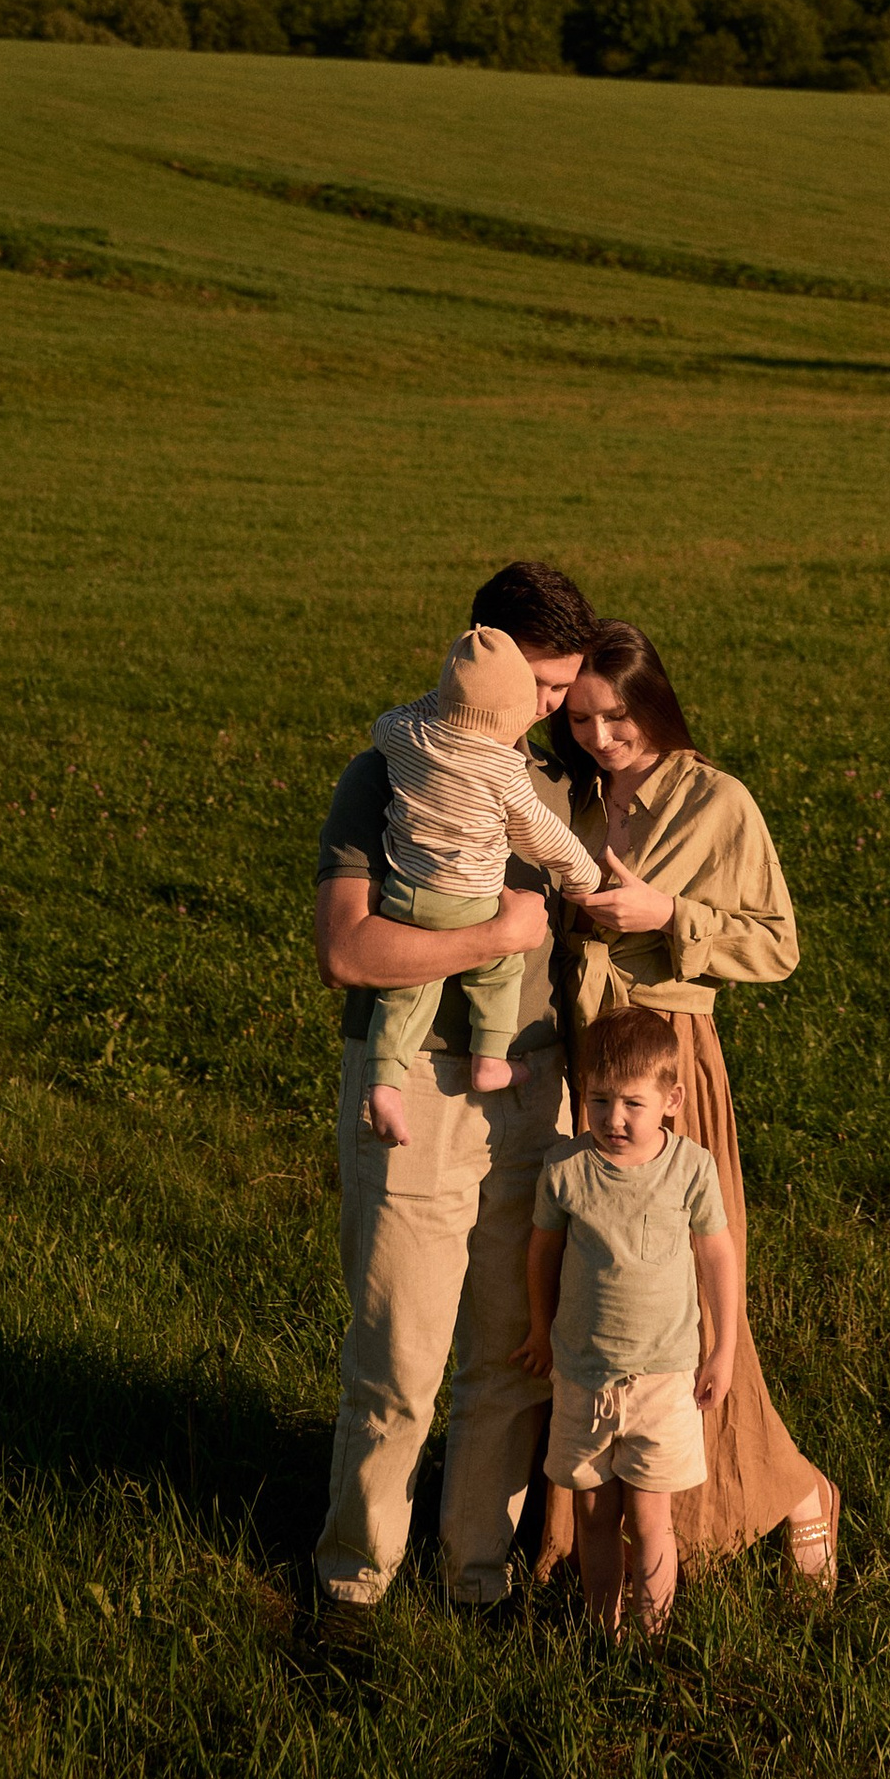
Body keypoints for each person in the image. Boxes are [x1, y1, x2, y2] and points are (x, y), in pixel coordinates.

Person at [313, 558, 594, 1619]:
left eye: (568, 690)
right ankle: (353, 1586)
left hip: (535, 1087)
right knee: (397, 1364)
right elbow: (348, 949)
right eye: (547, 685)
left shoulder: (559, 787)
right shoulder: (383, 774)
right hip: (413, 1091)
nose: (556, 711)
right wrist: (495, 933)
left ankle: (476, 1577)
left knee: (508, 1359)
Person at [551, 622, 840, 1587]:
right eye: (582, 717)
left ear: (655, 702)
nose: (599, 735)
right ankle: (577, 1529)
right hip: (584, 1064)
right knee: (595, 1294)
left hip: (670, 1069)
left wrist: (669, 916)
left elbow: (777, 945)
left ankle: (788, 1490)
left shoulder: (718, 801)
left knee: (685, 1301)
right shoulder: (576, 798)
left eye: (618, 715)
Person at [522, 1003, 740, 1636]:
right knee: (592, 1513)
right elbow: (541, 1253)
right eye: (598, 1101)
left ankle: (651, 1638)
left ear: (672, 1099)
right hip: (583, 1375)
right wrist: (540, 1329)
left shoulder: (691, 1168)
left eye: (632, 1105)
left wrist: (721, 1350)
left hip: (664, 1380)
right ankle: (603, 1630)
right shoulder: (565, 1169)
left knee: (650, 1519)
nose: (613, 1119)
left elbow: (717, 1256)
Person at [361, 627, 609, 1140]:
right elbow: (546, 837)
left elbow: (385, 722)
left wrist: (446, 699)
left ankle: (384, 1083)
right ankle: (490, 1059)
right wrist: (586, 877)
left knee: (405, 993)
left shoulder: (410, 739)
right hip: (473, 903)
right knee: (498, 970)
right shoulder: (504, 769)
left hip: (406, 897)